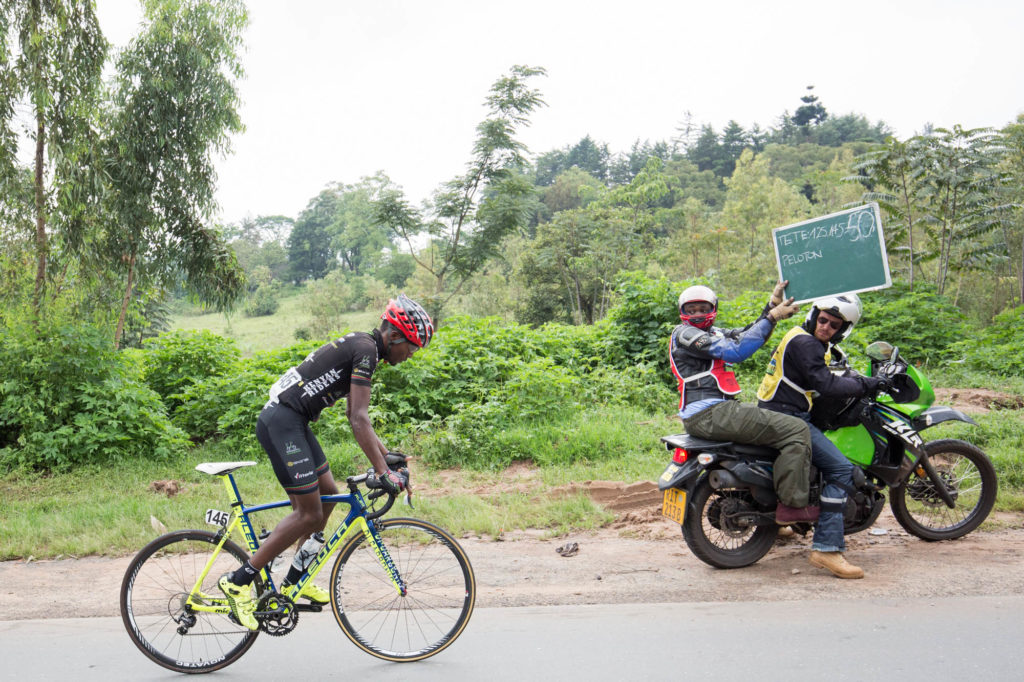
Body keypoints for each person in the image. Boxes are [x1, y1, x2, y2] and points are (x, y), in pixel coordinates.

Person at [218, 294, 434, 630]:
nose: (410, 356)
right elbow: (359, 419)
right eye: (412, 347)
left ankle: (293, 581)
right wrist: (382, 471)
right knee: (309, 513)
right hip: (282, 423)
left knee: (328, 495)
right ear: (394, 335)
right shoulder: (366, 351)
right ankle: (238, 580)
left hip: (293, 423)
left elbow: (353, 413)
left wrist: (386, 456)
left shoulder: (366, 347)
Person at [756, 293, 887, 579]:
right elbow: (824, 384)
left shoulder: (802, 337)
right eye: (823, 319)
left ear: (842, 329)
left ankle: (779, 522)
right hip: (788, 417)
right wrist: (866, 385)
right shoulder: (806, 342)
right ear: (814, 315)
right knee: (841, 469)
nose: (826, 326)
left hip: (776, 411)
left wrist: (850, 379)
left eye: (833, 324)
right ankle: (827, 548)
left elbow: (819, 374)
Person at [669, 280, 817, 524]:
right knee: (797, 429)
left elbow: (744, 334)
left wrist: (771, 307)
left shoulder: (713, 333)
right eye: (691, 310)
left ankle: (768, 512)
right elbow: (735, 351)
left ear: (713, 308)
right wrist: (771, 317)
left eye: (702, 308)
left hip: (716, 411)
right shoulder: (685, 333)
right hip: (710, 413)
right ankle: (792, 506)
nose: (697, 314)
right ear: (682, 312)